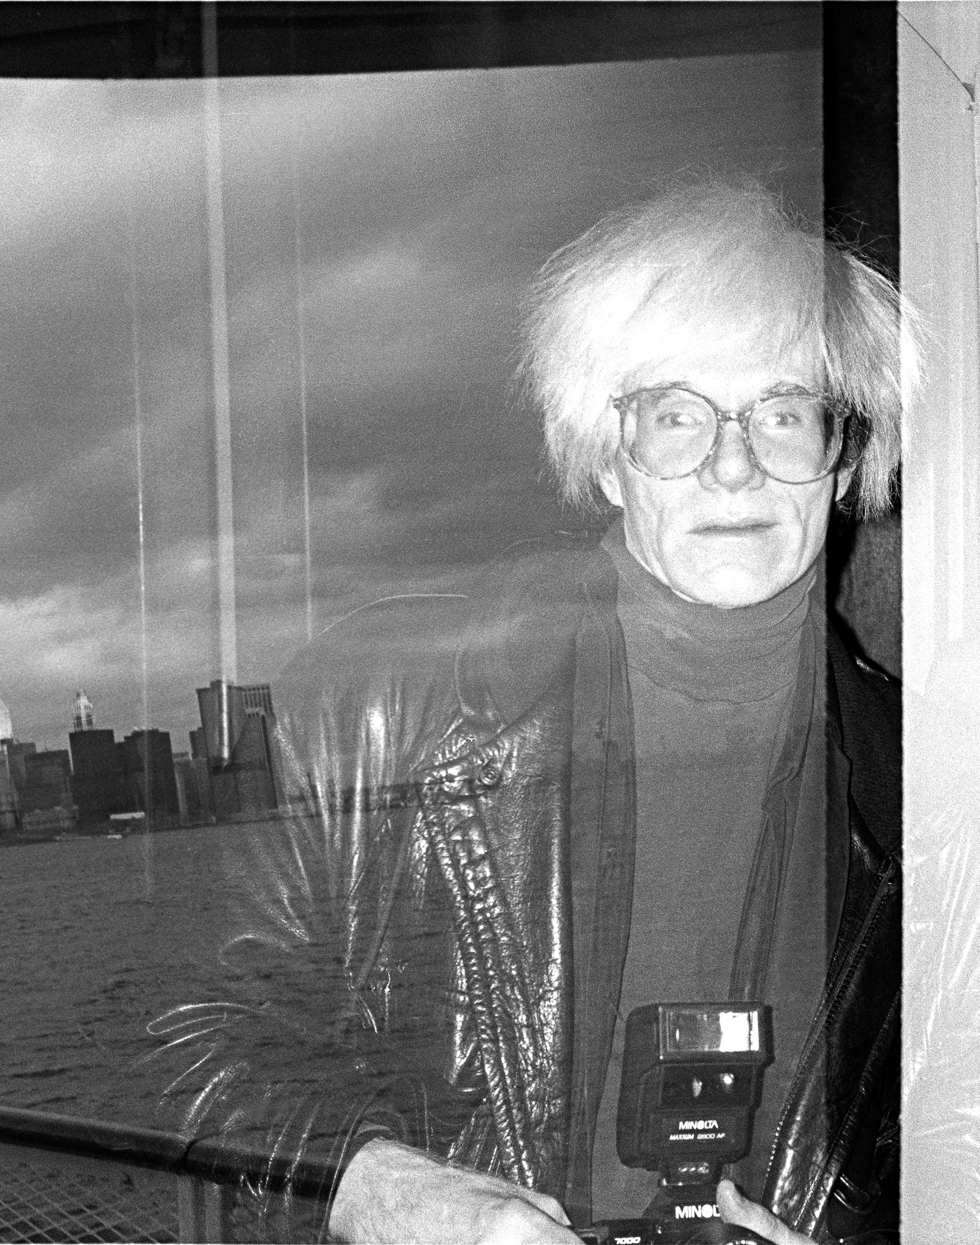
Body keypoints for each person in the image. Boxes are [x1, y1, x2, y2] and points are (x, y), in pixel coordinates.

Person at [154, 182, 904, 1245]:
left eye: (782, 413)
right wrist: (369, 1184)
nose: (731, 465)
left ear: (838, 457)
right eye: (675, 416)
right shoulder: (379, 701)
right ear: (605, 455)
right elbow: (191, 1044)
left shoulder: (928, 780)